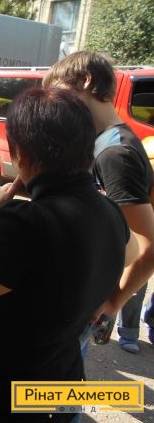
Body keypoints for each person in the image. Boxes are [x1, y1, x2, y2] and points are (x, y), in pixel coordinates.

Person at [0, 87, 135, 422]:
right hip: (58, 392)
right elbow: (130, 252)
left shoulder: (26, 224)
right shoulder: (110, 212)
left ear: (19, 153)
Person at [44, 51, 154, 354]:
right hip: (81, 295)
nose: (57, 104)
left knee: (52, 378)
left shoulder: (115, 154)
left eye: (59, 93)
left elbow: (149, 244)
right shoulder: (107, 141)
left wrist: (113, 301)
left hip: (85, 305)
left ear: (85, 81)